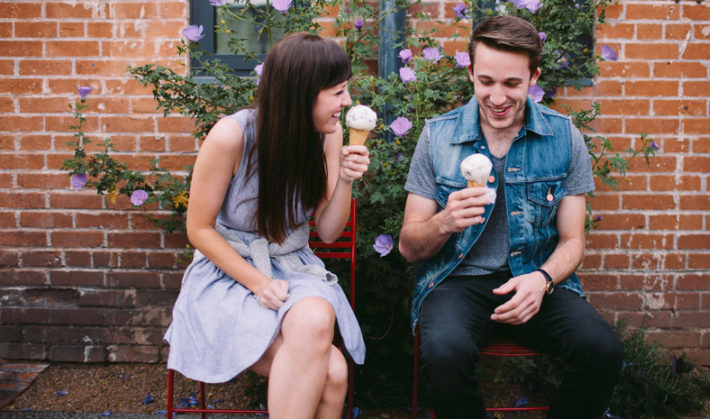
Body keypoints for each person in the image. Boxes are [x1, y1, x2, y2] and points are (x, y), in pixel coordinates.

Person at [399, 16, 623, 419]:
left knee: (603, 350)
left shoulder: (563, 137)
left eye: (511, 84)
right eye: (486, 81)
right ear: (470, 74)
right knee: (445, 353)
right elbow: (408, 246)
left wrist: (542, 280)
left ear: (534, 77)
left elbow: (573, 240)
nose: (497, 96)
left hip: (536, 278)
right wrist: (444, 221)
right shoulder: (438, 136)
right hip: (457, 282)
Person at [164, 32, 370, 419]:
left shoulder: (329, 135)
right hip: (228, 274)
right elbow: (199, 229)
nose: (346, 102)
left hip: (292, 269)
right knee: (334, 371)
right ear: (302, 92)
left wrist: (345, 178)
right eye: (338, 91)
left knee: (317, 323)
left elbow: (327, 232)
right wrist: (258, 283)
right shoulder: (232, 135)